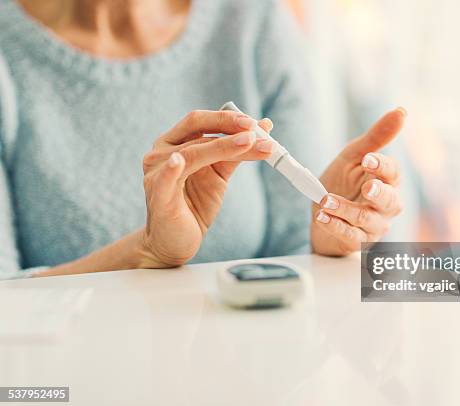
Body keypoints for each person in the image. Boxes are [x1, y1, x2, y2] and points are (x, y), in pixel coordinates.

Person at [0, 0, 405, 279]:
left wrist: (327, 242)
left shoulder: (251, 21)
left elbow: (298, 257)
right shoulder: (10, 54)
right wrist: (147, 252)